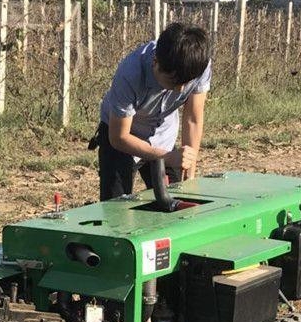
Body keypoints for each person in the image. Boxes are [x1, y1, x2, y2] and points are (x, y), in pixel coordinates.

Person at [91, 22, 212, 201]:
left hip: (162, 136)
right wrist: (168, 157)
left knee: (177, 202)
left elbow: (193, 119)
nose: (180, 90)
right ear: (156, 62)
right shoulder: (130, 74)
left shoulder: (197, 64)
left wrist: (189, 170)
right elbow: (119, 137)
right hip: (121, 139)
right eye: (173, 81)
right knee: (115, 208)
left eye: (187, 82)